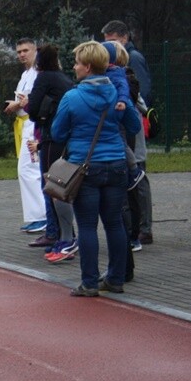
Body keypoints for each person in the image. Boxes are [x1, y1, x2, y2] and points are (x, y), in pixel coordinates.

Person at [51, 41, 142, 297]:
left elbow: (57, 132)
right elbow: (134, 125)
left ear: (88, 67)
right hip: (116, 165)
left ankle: (89, 282)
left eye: (78, 62)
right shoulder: (117, 93)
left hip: (85, 167)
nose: (74, 66)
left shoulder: (72, 97)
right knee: (114, 223)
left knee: (88, 225)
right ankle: (115, 278)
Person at [102, 20, 154, 245]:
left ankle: (143, 227)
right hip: (125, 126)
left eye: (112, 42)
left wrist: (135, 113)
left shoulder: (132, 62)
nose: (109, 48)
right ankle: (135, 226)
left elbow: (143, 93)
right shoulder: (114, 69)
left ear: (124, 38)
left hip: (132, 127)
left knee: (138, 176)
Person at [25, 44, 77, 262]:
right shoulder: (65, 79)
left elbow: (33, 107)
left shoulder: (44, 78)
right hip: (67, 136)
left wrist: (33, 112)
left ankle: (61, 235)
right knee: (62, 183)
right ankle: (64, 234)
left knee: (52, 184)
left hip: (51, 137)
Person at [3, 39, 45, 233]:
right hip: (24, 124)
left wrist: (17, 105)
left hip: (33, 124)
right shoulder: (25, 74)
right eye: (19, 51)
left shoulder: (38, 72)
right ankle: (35, 215)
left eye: (25, 50)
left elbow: (32, 99)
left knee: (30, 169)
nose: (22, 54)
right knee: (25, 169)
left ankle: (41, 215)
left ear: (35, 50)